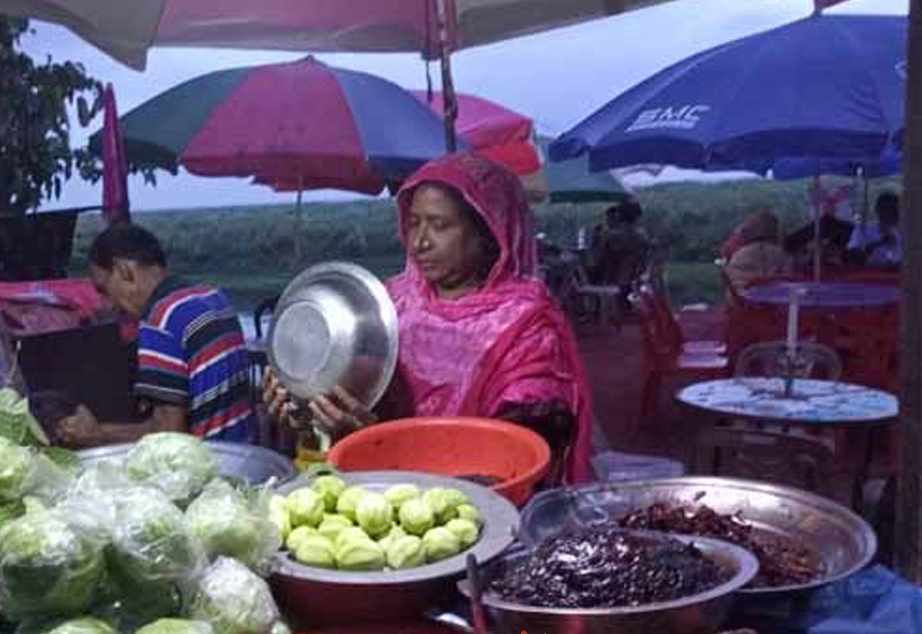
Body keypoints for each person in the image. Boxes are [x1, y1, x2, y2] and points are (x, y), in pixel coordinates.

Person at [264, 153, 596, 485]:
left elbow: (516, 460)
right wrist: (303, 410)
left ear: (488, 233)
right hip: (375, 491)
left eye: (440, 225)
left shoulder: (528, 327)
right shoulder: (388, 305)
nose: (420, 242)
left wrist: (376, 445)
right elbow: (346, 399)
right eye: (413, 223)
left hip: (475, 507)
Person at [57, 224, 257, 447]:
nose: (108, 305)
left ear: (124, 270)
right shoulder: (214, 297)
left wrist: (99, 434)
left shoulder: (161, 320)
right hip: (245, 450)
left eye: (104, 289)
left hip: (214, 463)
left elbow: (169, 435)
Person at [723, 210, 793, 295]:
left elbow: (731, 286)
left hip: (744, 303)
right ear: (774, 231)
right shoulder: (783, 256)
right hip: (777, 302)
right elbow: (789, 282)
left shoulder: (739, 255)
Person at [848, 192, 902, 267]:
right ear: (877, 210)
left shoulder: (905, 233)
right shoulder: (862, 230)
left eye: (895, 210)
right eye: (887, 209)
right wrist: (878, 243)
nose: (891, 214)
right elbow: (852, 257)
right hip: (869, 275)